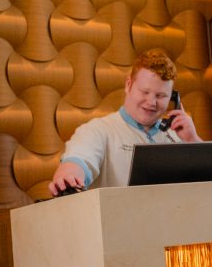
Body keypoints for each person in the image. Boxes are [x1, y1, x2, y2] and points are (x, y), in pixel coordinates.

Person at [49, 49, 201, 195]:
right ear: (128, 85)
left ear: (172, 98)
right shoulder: (98, 130)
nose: (151, 102)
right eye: (145, 92)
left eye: (161, 96)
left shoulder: (178, 136)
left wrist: (192, 141)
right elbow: (78, 160)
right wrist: (67, 178)